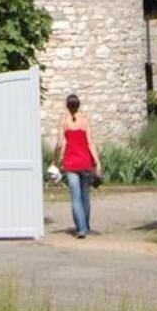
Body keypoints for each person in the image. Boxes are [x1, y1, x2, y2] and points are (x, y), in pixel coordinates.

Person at [57, 91, 100, 238]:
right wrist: (97, 162)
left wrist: (56, 159)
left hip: (70, 162)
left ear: (67, 106)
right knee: (85, 196)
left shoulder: (63, 121)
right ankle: (85, 225)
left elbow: (60, 143)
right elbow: (90, 142)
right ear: (79, 105)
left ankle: (81, 228)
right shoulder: (85, 120)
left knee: (75, 197)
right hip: (85, 162)